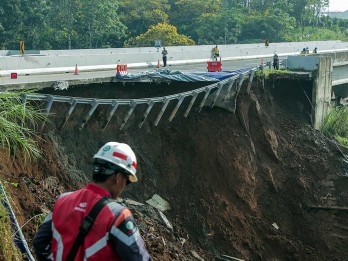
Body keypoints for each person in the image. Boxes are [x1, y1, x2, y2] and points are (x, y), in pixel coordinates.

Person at [33, 142, 152, 261]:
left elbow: (39, 243)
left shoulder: (63, 200)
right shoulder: (118, 216)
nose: (124, 186)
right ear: (118, 177)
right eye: (127, 181)